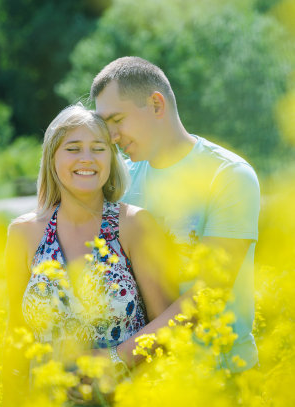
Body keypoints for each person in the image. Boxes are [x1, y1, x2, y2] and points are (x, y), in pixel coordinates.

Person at [90, 56, 261, 373]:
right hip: (149, 377)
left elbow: (207, 295)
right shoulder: (121, 180)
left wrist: (117, 359)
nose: (111, 137)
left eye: (117, 120)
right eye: (105, 125)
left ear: (156, 105)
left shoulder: (228, 175)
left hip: (223, 376)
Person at [2, 104, 175, 406]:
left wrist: (116, 364)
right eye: (73, 148)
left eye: (98, 148)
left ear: (111, 159)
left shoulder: (134, 225)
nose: (87, 159)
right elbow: (16, 336)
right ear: (52, 157)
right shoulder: (23, 232)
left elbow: (166, 326)